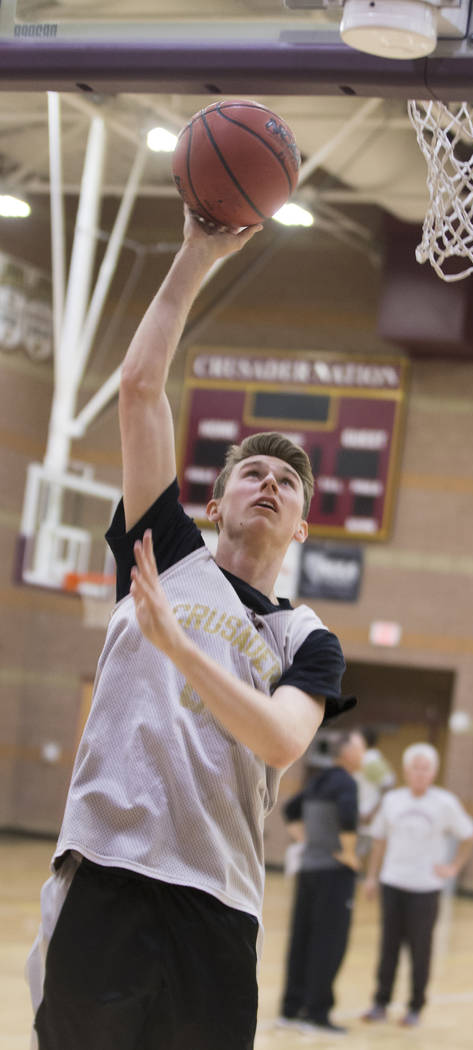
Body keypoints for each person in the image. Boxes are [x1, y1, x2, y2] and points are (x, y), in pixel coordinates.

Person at [26, 209, 355, 1050]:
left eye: (288, 482)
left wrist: (181, 652)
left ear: (301, 530)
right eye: (252, 472)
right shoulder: (167, 552)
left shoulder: (306, 638)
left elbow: (282, 740)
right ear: (216, 503)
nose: (270, 485)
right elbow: (141, 387)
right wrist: (195, 253)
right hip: (107, 876)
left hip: (218, 901)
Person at [362, 742, 473, 1028]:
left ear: (434, 772)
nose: (420, 773)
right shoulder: (392, 801)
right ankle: (380, 1002)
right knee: (388, 947)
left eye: (426, 768)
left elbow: (469, 834)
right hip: (392, 883)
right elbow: (379, 840)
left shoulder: (445, 803)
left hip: (425, 889)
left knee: (420, 950)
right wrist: (372, 876)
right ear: (406, 770)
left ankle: (415, 1006)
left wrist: (454, 867)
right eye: (415, 767)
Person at [278, 729, 367, 1034]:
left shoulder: (318, 780)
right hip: (333, 874)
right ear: (347, 753)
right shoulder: (346, 782)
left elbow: (289, 809)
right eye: (360, 747)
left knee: (301, 939)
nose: (364, 753)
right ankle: (317, 1014)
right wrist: (349, 853)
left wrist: (307, 841)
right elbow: (347, 815)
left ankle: (291, 1010)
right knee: (329, 943)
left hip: (309, 870)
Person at [355, 727, 395, 859]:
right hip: (360, 814)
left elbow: (388, 785)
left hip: (365, 815)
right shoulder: (363, 759)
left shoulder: (370, 761)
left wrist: (373, 812)